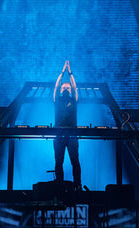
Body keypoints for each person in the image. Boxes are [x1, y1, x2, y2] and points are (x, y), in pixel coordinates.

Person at [53, 61, 81, 190]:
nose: (65, 89)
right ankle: (59, 185)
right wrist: (62, 71)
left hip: (72, 136)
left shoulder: (73, 100)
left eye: (67, 88)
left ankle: (77, 185)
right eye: (64, 88)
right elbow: (56, 86)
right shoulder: (57, 100)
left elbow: (75, 87)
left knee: (75, 161)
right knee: (59, 162)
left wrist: (70, 72)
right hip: (59, 135)